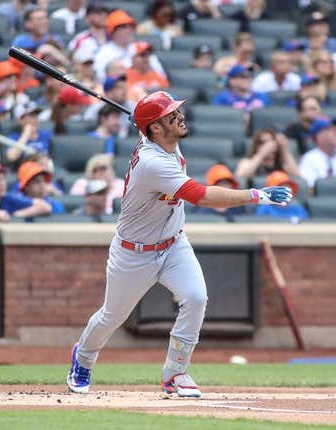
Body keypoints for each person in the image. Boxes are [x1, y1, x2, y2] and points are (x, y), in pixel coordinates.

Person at [66, 91, 292, 397]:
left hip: (173, 243)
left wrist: (149, 125)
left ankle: (175, 373)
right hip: (134, 253)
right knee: (112, 316)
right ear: (156, 129)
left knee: (196, 297)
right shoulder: (152, 162)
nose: (180, 116)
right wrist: (256, 194)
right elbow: (204, 197)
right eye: (172, 115)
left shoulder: (164, 143)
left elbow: (153, 133)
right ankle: (83, 358)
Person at [93, 9, 165, 83]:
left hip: (145, 88)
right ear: (112, 32)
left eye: (129, 27)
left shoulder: (141, 47)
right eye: (122, 28)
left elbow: (161, 75)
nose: (127, 31)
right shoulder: (104, 52)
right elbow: (99, 78)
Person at [235, 128, 299, 181]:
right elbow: (240, 177)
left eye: (271, 142)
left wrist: (285, 150)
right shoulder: (247, 162)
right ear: (256, 146)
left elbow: (298, 178)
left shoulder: (283, 164)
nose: (268, 146)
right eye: (263, 143)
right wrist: (261, 154)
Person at [299, 117, 336, 190]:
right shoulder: (309, 159)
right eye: (332, 129)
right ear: (319, 135)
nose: (335, 132)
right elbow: (310, 189)